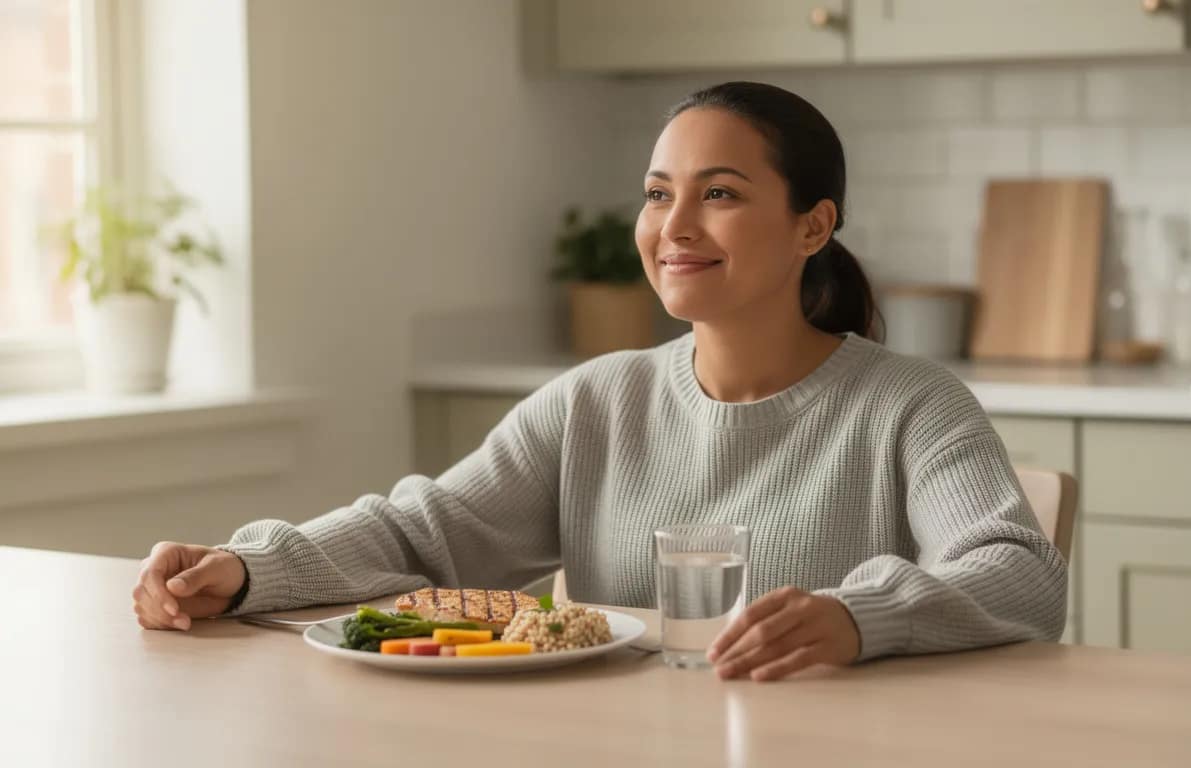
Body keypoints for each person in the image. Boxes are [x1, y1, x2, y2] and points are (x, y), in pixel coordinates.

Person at [131, 81, 1066, 682]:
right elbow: (425, 533)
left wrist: (859, 619)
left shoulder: (909, 405)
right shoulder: (598, 401)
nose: (676, 225)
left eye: (723, 193)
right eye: (660, 193)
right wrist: (255, 568)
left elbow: (1018, 574)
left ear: (813, 227)